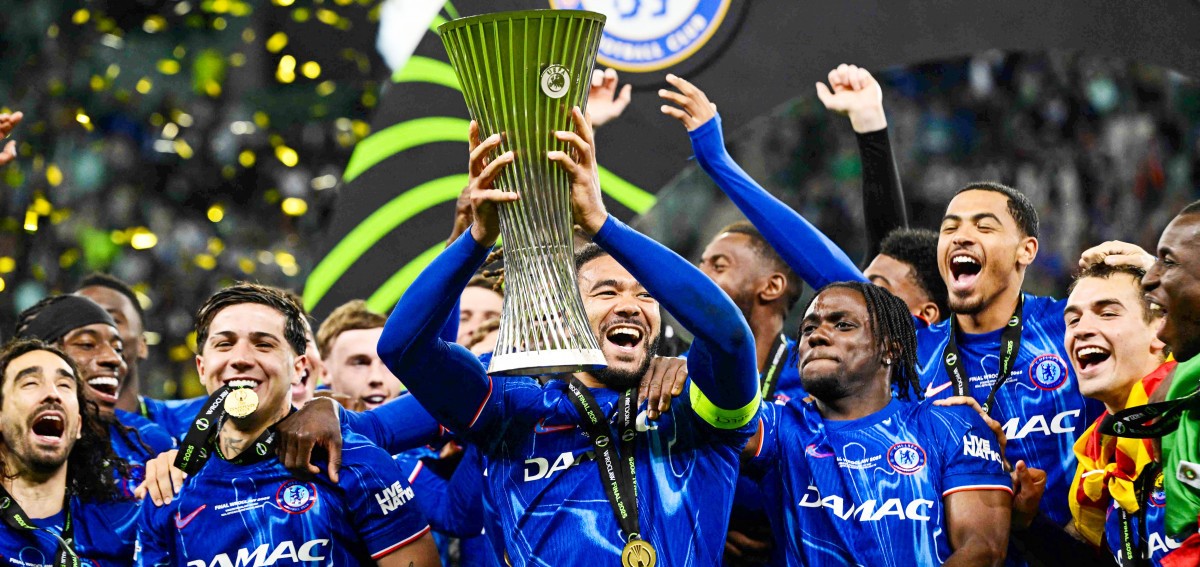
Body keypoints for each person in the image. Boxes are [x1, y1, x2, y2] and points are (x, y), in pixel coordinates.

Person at [375, 107, 759, 565]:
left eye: (646, 295)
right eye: (606, 292)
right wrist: (477, 237)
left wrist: (601, 223)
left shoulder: (695, 407)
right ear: (566, 314)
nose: (629, 305)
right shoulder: (510, 410)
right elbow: (402, 348)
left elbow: (731, 337)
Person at [135, 283, 439, 566]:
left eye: (263, 344)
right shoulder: (170, 488)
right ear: (202, 368)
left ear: (299, 368)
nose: (240, 358)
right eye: (224, 344)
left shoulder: (354, 462)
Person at [744, 282, 1011, 565]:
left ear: (890, 350)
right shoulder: (779, 427)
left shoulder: (952, 426)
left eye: (843, 325)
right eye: (808, 329)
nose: (816, 336)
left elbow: (983, 548)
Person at [15, 295, 175, 495]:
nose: (114, 359)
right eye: (87, 344)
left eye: (118, 349)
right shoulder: (11, 448)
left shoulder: (150, 442)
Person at [0, 339, 139, 566]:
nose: (52, 394)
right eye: (31, 383)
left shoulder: (125, 526)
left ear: (78, 425)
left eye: (64, 385)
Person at [315, 300, 405, 410]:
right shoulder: (300, 418)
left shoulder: (424, 411)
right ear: (324, 372)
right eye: (360, 363)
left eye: (387, 362)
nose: (376, 378)